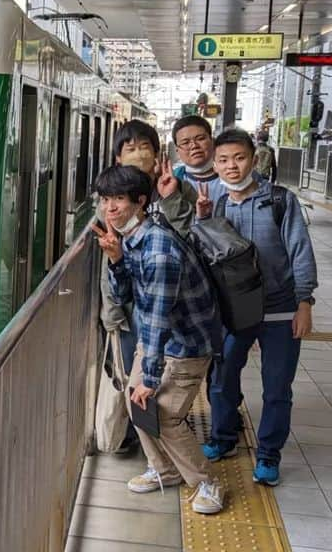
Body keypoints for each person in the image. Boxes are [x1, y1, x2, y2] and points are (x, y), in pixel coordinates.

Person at [93, 165, 225, 514]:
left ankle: (206, 482)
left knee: (164, 414)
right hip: (160, 342)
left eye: (119, 199)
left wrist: (150, 379)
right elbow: (125, 296)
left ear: (140, 201)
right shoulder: (134, 238)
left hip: (186, 347)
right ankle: (165, 470)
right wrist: (116, 260)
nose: (110, 208)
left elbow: (155, 317)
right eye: (105, 199)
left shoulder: (158, 249)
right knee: (136, 403)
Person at [198, 129, 318, 487]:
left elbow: (300, 251)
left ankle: (268, 453)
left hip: (280, 310)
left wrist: (305, 302)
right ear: (215, 164)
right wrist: (204, 220)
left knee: (277, 387)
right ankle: (224, 436)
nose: (231, 166)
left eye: (238, 158)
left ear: (253, 159)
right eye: (223, 160)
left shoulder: (280, 201)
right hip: (235, 311)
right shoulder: (217, 202)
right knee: (221, 380)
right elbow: (211, 253)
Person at [98, 120, 196, 452]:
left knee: (158, 377)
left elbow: (186, 240)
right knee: (129, 375)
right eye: (129, 148)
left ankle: (160, 447)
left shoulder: (174, 189)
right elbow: (109, 254)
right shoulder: (111, 196)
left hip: (166, 303)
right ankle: (134, 439)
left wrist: (171, 199)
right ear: (117, 157)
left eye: (145, 147)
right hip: (128, 305)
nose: (138, 153)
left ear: (156, 154)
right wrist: (110, 309)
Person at [171, 116, 218, 188]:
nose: (194, 146)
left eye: (200, 139)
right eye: (185, 143)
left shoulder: (232, 179)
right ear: (177, 150)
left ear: (212, 141)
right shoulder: (171, 181)